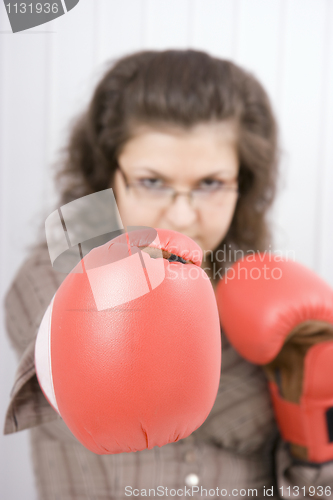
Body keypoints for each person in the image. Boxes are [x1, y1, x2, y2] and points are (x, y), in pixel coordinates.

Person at [3, 49, 333, 500]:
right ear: (109, 173)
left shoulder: (261, 286)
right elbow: (40, 303)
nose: (182, 213)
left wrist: (315, 425)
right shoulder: (62, 266)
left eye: (211, 183)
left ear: (244, 181)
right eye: (152, 181)